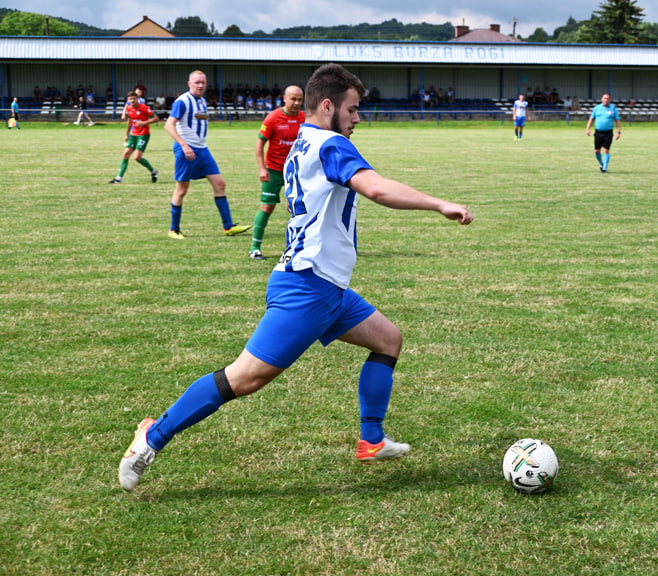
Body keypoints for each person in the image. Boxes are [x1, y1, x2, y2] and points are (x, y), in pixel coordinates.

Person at [118, 63, 474, 492]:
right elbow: (377, 189)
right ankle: (151, 437)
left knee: (388, 340)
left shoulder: (302, 141)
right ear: (328, 106)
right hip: (307, 287)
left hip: (327, 287)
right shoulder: (332, 145)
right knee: (245, 377)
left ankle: (371, 439)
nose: (358, 118)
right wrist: (440, 204)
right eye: (354, 109)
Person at [163, 70, 251, 239]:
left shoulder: (202, 101)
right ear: (189, 84)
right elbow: (169, 125)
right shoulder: (182, 101)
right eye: (197, 82)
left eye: (203, 82)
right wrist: (184, 145)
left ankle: (228, 227)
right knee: (182, 189)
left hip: (203, 150)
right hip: (186, 149)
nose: (200, 85)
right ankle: (173, 229)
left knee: (220, 184)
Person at [248, 85, 305, 260]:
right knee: (267, 207)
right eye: (293, 99)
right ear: (284, 98)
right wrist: (261, 168)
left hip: (295, 172)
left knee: (300, 208)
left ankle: (298, 248)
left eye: (299, 100)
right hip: (273, 170)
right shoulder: (273, 118)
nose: (296, 103)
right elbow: (259, 144)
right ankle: (255, 248)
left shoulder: (304, 118)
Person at [109, 91, 159, 184]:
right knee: (126, 154)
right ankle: (118, 178)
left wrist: (144, 123)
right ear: (128, 100)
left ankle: (153, 171)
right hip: (133, 134)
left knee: (137, 157)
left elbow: (156, 118)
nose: (132, 100)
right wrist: (127, 134)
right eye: (130, 99)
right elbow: (130, 121)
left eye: (134, 98)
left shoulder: (144, 107)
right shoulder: (129, 108)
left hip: (143, 134)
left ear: (137, 99)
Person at [585, 93, 621, 173]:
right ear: (602, 99)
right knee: (597, 151)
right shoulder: (597, 108)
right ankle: (601, 163)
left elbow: (617, 120)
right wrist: (587, 129)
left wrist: (618, 132)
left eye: (608, 98)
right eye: (605, 98)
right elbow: (592, 119)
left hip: (608, 133)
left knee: (606, 150)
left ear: (610, 100)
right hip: (598, 132)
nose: (606, 100)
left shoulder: (613, 109)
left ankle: (604, 168)